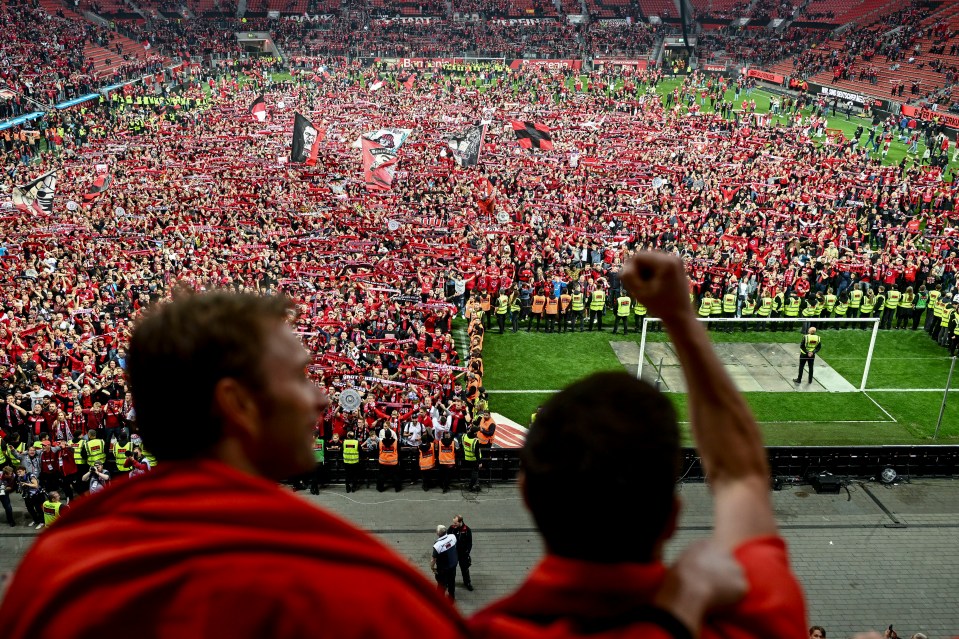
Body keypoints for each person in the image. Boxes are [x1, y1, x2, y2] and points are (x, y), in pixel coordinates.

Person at [0, 292, 469, 639]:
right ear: (238, 403)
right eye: (297, 376)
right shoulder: (352, 588)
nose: (321, 396)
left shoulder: (54, 569)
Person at [469, 252, 806, 639]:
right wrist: (680, 318)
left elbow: (740, 476)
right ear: (673, 517)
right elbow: (740, 474)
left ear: (525, 491)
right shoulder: (751, 611)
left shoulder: (480, 630)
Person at [431, 524, 458, 602]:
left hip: (443, 569)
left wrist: (432, 567)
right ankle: (451, 598)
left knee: (441, 584)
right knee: (452, 582)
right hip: (453, 565)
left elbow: (433, 559)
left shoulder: (437, 545)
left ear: (438, 533)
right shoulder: (452, 537)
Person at [449, 514, 473, 591]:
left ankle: (467, 583)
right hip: (454, 554)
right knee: (451, 570)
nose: (454, 525)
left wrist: (467, 552)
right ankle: (449, 582)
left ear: (460, 522)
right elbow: (447, 539)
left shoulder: (467, 530)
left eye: (455, 523)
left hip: (463, 554)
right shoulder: (452, 528)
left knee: (465, 569)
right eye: (453, 523)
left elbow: (469, 543)